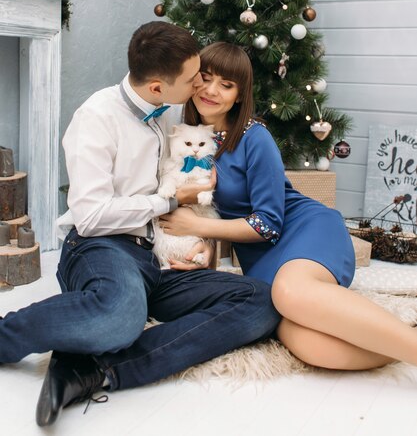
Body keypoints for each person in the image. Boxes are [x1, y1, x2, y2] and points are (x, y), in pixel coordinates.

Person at [0, 23, 280, 427]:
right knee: (121, 315)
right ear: (156, 87)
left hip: (159, 259)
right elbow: (92, 216)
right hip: (101, 248)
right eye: (193, 79)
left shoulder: (170, 114)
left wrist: (202, 243)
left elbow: (192, 177)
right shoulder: (97, 118)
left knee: (260, 301)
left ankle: (92, 368)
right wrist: (169, 201)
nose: (200, 86)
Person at [160, 41, 417, 371]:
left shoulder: (255, 137)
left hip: (305, 230)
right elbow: (208, 210)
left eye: (226, 85)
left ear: (239, 95)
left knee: (290, 291)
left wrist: (196, 227)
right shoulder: (186, 137)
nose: (211, 90)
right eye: (205, 78)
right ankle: (397, 338)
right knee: (308, 344)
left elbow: (268, 223)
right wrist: (202, 248)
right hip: (261, 260)